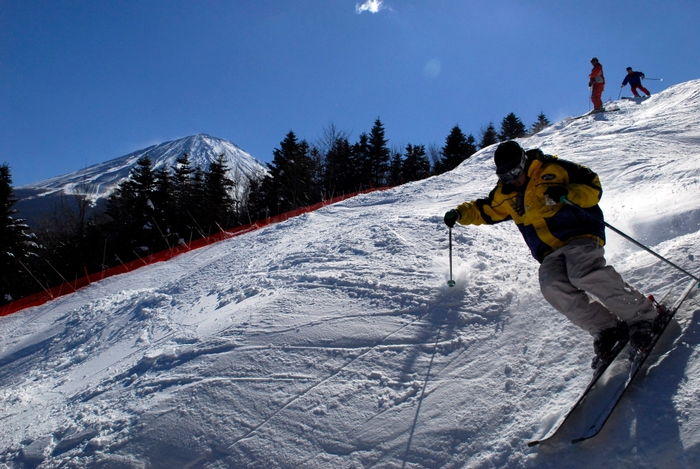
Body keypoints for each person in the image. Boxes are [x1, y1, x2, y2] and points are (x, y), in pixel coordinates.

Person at [443, 141, 659, 368]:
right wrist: (459, 213)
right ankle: (606, 327)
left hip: (580, 236)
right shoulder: (505, 194)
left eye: (516, 172)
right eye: (505, 176)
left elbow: (593, 187)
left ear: (524, 162)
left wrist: (568, 193)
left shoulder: (554, 170)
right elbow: (482, 210)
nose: (513, 179)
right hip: (549, 252)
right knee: (551, 285)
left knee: (582, 273)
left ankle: (643, 316)